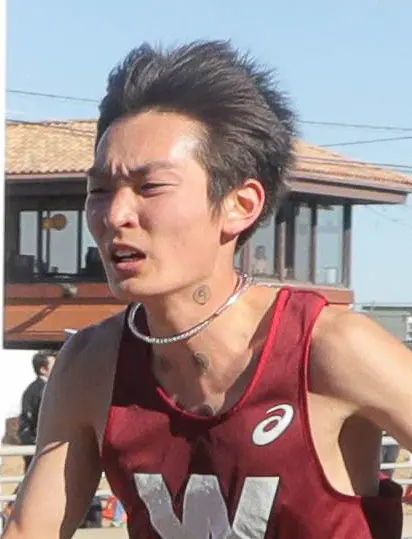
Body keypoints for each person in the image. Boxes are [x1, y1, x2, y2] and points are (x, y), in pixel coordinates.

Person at [3, 40, 412, 539]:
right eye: (99, 190)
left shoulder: (332, 347)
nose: (115, 215)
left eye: (150, 187)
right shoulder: (91, 364)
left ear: (241, 204)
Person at [18, 350, 56, 472]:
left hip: (36, 443)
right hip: (39, 445)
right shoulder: (42, 390)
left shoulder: (37, 388)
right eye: (55, 365)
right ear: (43, 369)